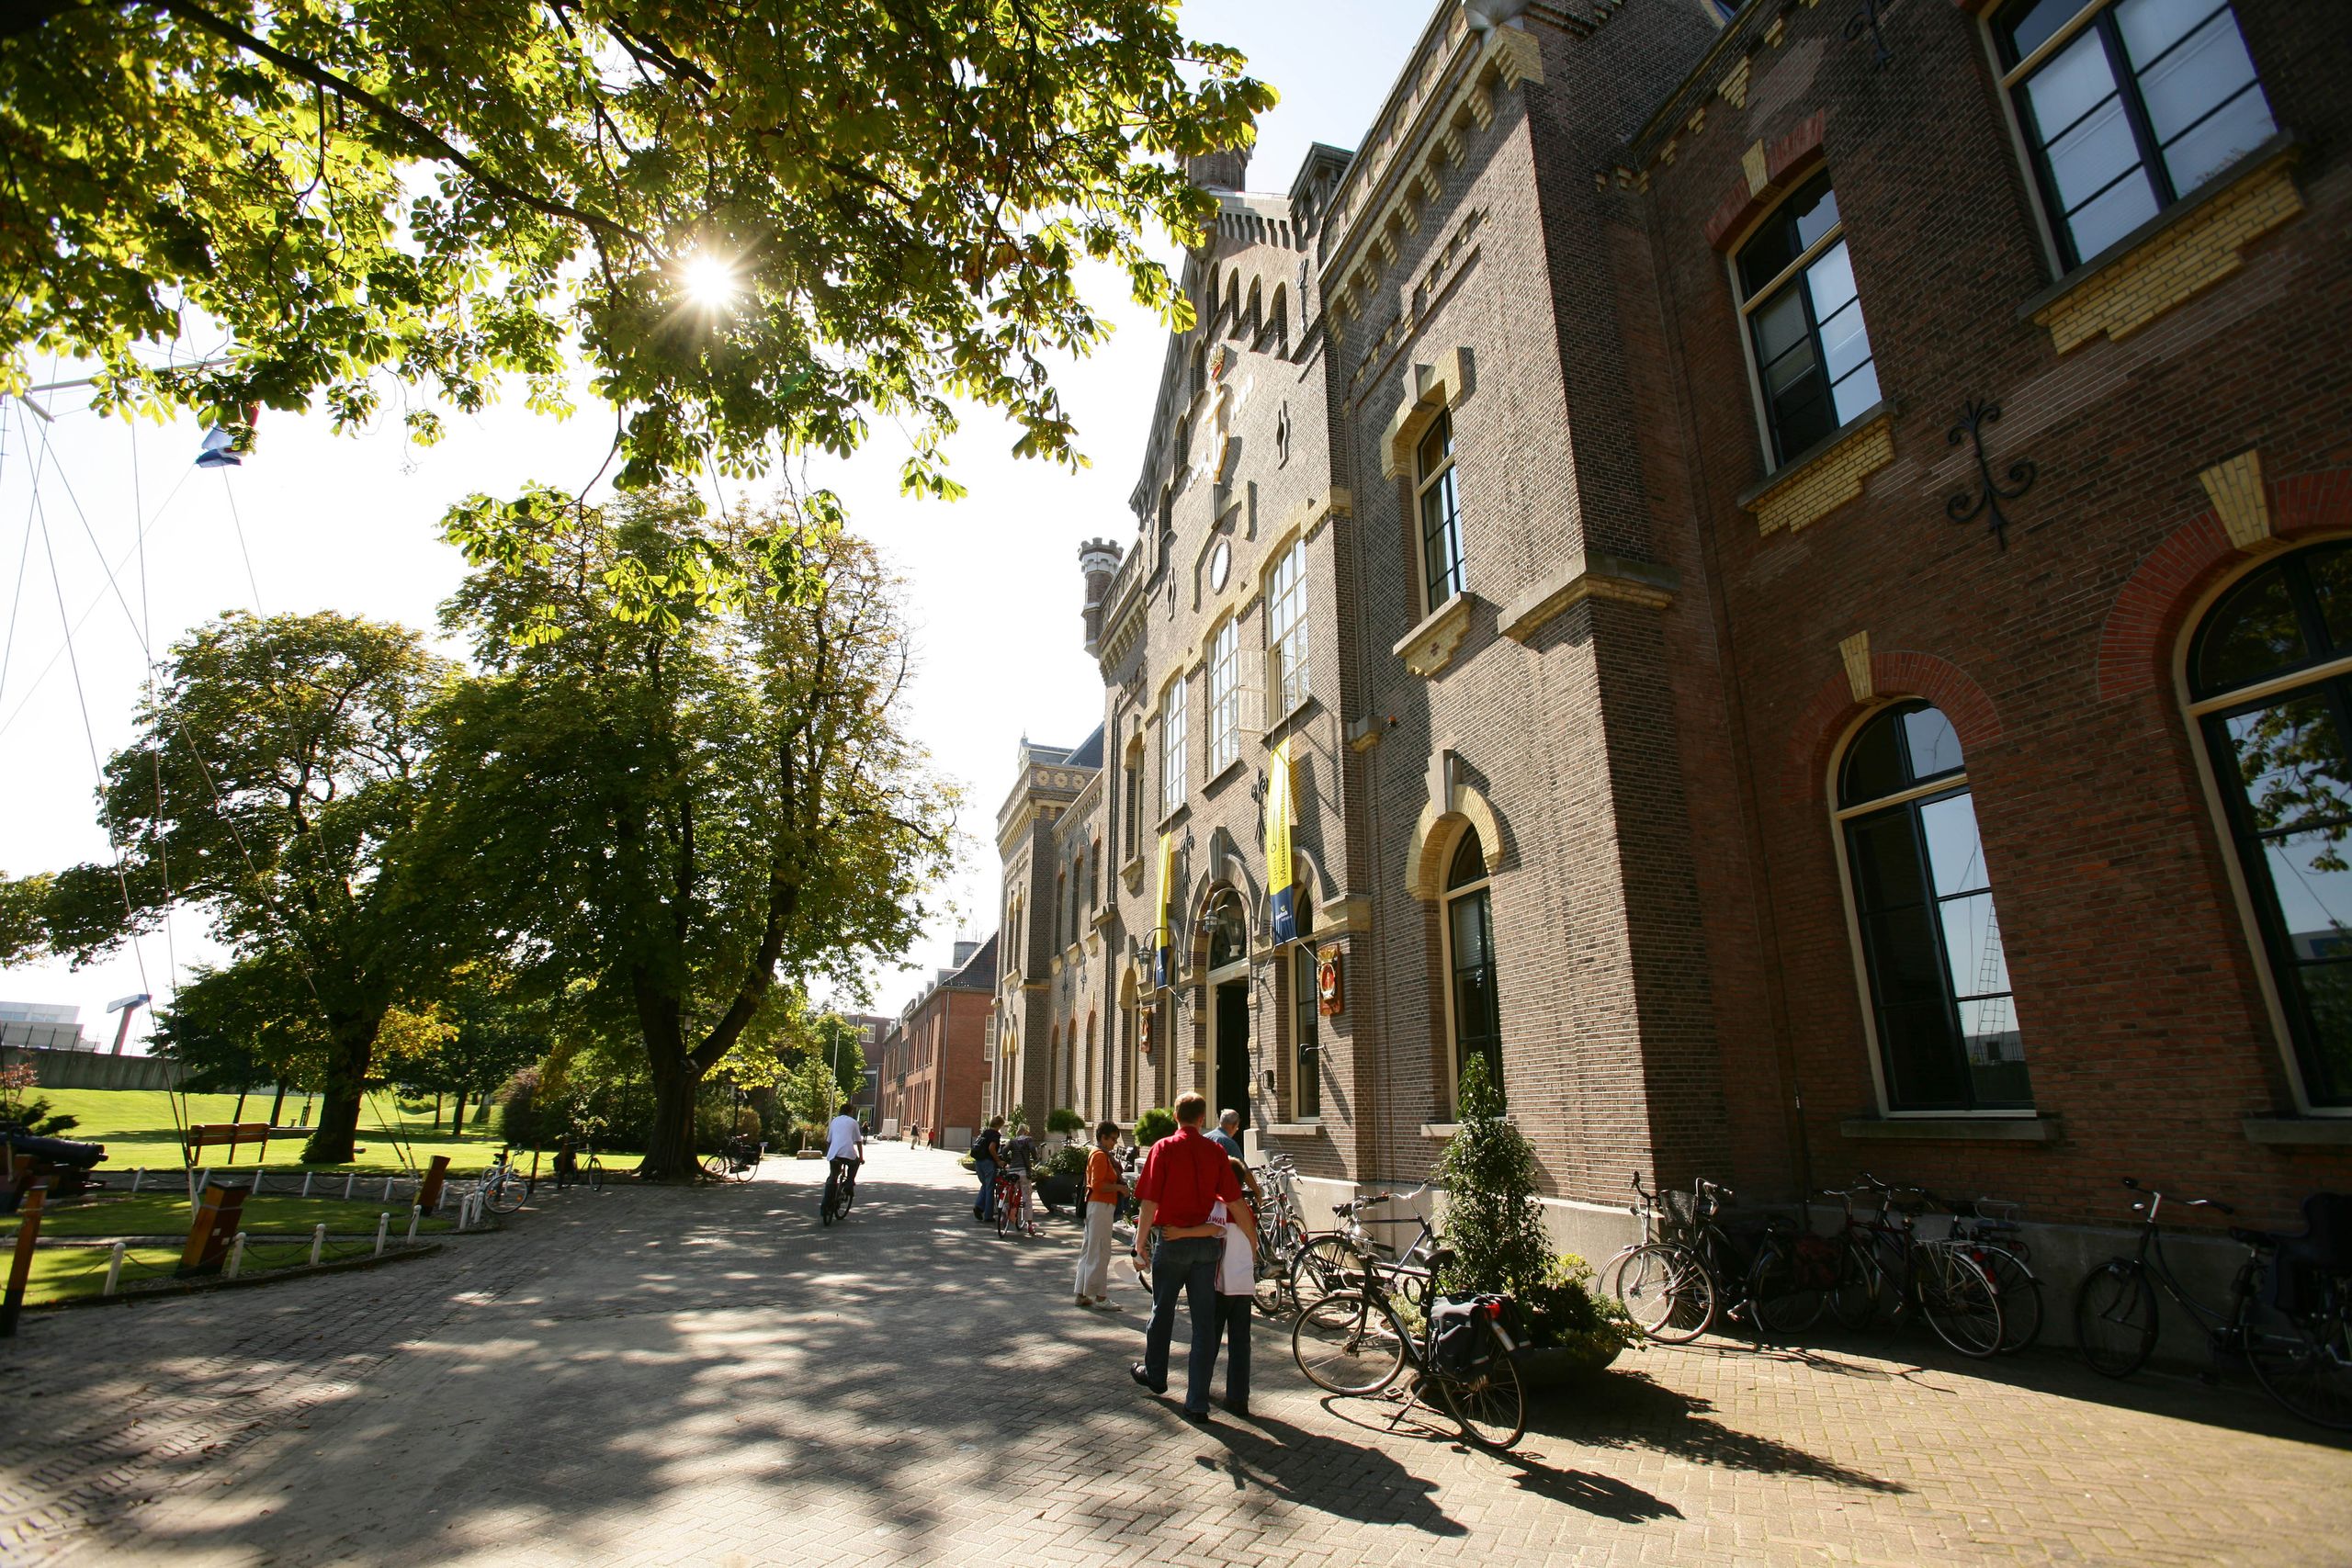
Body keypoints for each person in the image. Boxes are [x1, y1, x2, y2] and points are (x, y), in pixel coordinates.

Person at [1131, 1092, 1244, 1420]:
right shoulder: (1215, 1151)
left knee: (1162, 1310)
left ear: (1175, 1117)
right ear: (1201, 1118)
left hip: (1172, 1242)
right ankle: (1197, 1402)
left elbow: (1149, 1202)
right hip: (1206, 1247)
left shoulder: (1163, 1148)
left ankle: (1156, 1375)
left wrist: (1140, 1244)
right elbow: (1234, 1200)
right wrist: (1251, 1241)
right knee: (1204, 1325)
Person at [1209, 1157, 1260, 1416]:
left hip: (1220, 1283)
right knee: (1241, 1342)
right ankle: (1239, 1398)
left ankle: (1201, 1386)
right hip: (1243, 1283)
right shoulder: (1246, 1209)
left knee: (1210, 1337)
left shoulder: (1220, 1206)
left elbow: (1212, 1237)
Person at [1074, 1121, 1125, 1310]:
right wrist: (1119, 1187)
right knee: (1101, 1251)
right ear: (1102, 1138)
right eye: (1112, 1139)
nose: (1114, 1143)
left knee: (1090, 1249)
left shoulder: (1098, 1153)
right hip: (1101, 1206)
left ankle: (1081, 1293)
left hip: (1098, 1206)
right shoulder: (1100, 1156)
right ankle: (1101, 1297)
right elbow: (1097, 1184)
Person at [823, 1101, 865, 1209]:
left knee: (832, 1177)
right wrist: (861, 1158)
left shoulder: (834, 1121)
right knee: (855, 1163)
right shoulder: (853, 1122)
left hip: (834, 1154)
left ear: (840, 1111)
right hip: (847, 1153)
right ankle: (849, 1184)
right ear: (850, 1112)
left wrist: (829, 1153)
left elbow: (828, 1141)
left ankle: (825, 1206)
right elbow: (858, 1141)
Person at [971, 1115, 1005, 1221]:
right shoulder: (995, 1135)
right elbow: (991, 1148)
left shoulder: (985, 1133)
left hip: (978, 1162)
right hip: (988, 1163)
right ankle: (988, 1216)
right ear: (999, 1125)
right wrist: (998, 1161)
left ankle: (979, 1206)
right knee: (990, 1188)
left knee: (985, 1185)